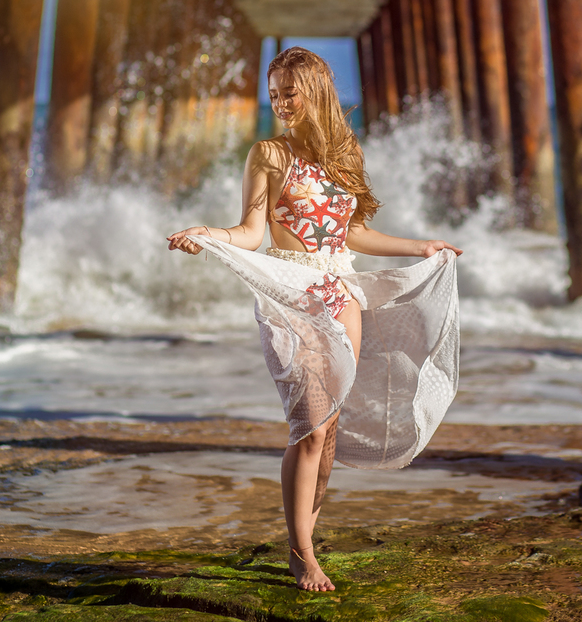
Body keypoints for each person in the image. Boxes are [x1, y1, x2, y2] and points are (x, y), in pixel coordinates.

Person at [167, 47, 462, 592]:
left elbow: (352, 234)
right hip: (295, 297)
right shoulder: (269, 155)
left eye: (288, 92)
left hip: (342, 294)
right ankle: (301, 552)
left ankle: (307, 535)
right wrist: (209, 237)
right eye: (273, 93)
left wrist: (418, 247)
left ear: (317, 91)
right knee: (309, 425)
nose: (279, 102)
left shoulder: (345, 153)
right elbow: (251, 231)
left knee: (328, 435)